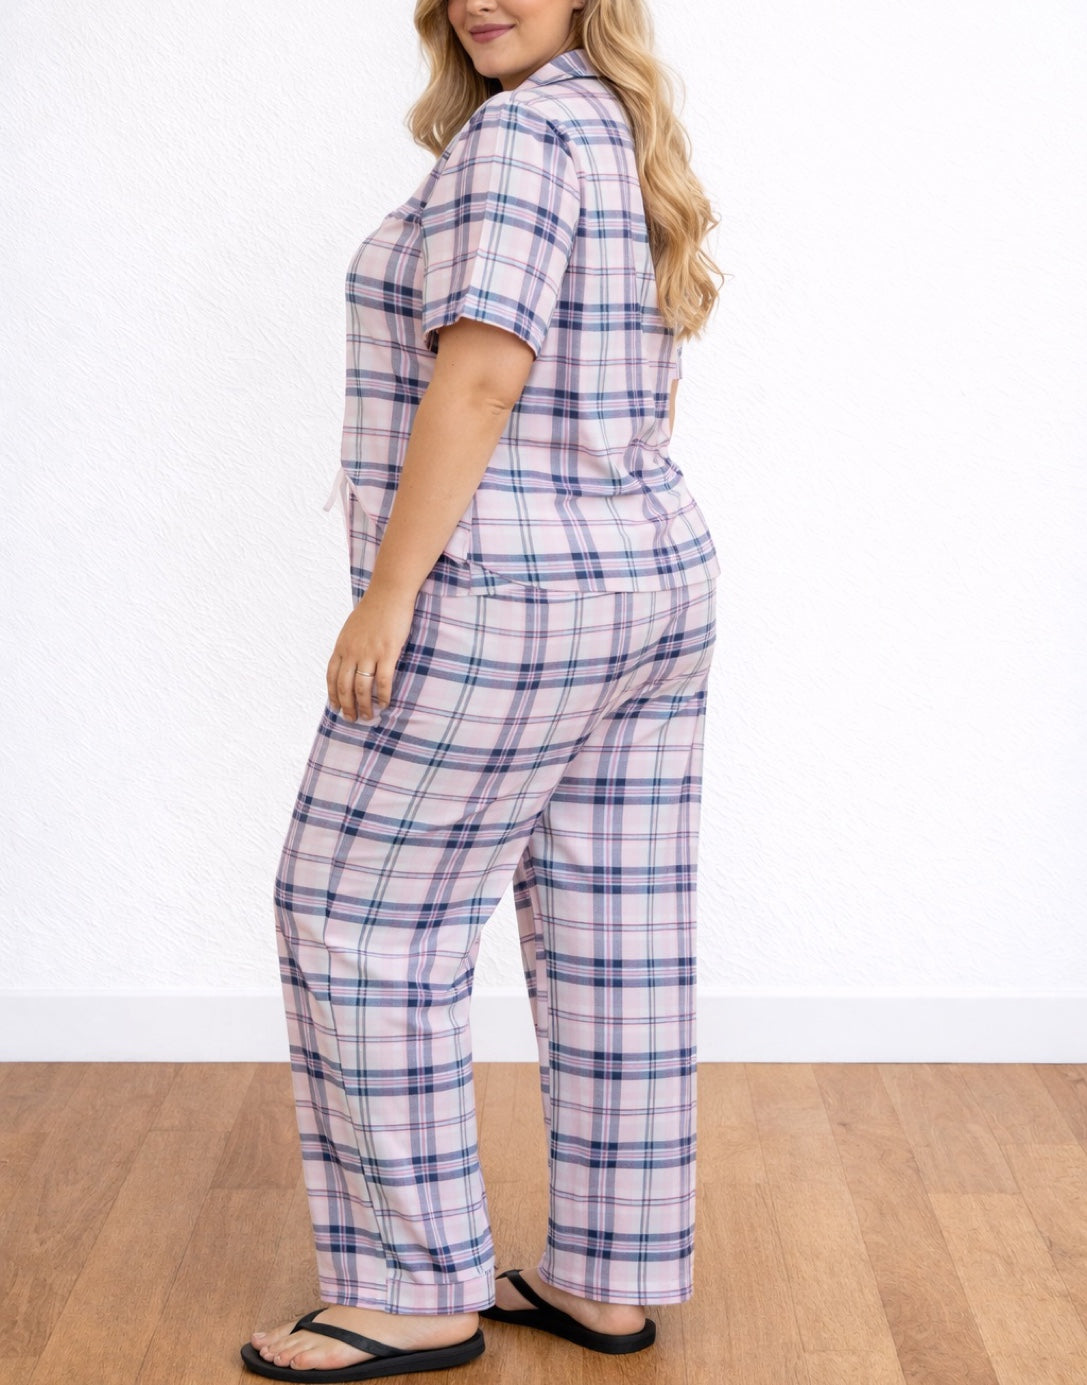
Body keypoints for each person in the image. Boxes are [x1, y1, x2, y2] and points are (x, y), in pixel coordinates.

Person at [242, 0, 724, 1378]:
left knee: (353, 910)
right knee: (615, 924)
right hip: (651, 573)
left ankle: (408, 1284)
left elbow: (486, 370)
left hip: (506, 590)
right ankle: (606, 1275)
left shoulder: (520, 137)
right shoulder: (616, 123)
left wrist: (389, 593)